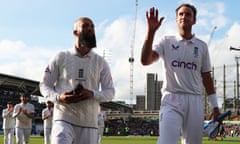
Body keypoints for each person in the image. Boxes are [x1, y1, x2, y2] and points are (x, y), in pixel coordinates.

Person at [140, 4, 220, 144]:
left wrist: (215, 106)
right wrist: (151, 32)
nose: (184, 17)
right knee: (166, 141)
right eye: (181, 14)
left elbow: (206, 77)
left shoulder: (201, 46)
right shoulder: (166, 41)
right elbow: (145, 60)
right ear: (177, 19)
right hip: (171, 99)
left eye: (188, 14)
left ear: (194, 20)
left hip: (194, 100)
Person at [39, 17, 115, 144]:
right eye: (85, 26)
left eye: (92, 26)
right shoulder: (61, 57)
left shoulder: (101, 62)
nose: (90, 29)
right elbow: (44, 85)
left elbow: (110, 92)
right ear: (75, 32)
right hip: (63, 119)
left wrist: (92, 94)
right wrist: (59, 98)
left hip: (89, 123)